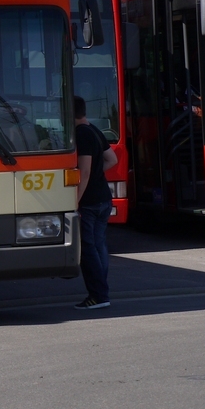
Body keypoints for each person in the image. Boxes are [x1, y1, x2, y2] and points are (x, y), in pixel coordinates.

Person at [74, 95, 117, 310]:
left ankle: (98, 295)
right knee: (99, 245)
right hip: (104, 198)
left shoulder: (81, 134)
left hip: (89, 201)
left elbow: (85, 170)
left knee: (88, 247)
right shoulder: (94, 130)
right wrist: (98, 176)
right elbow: (112, 159)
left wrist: (76, 200)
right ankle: (102, 291)